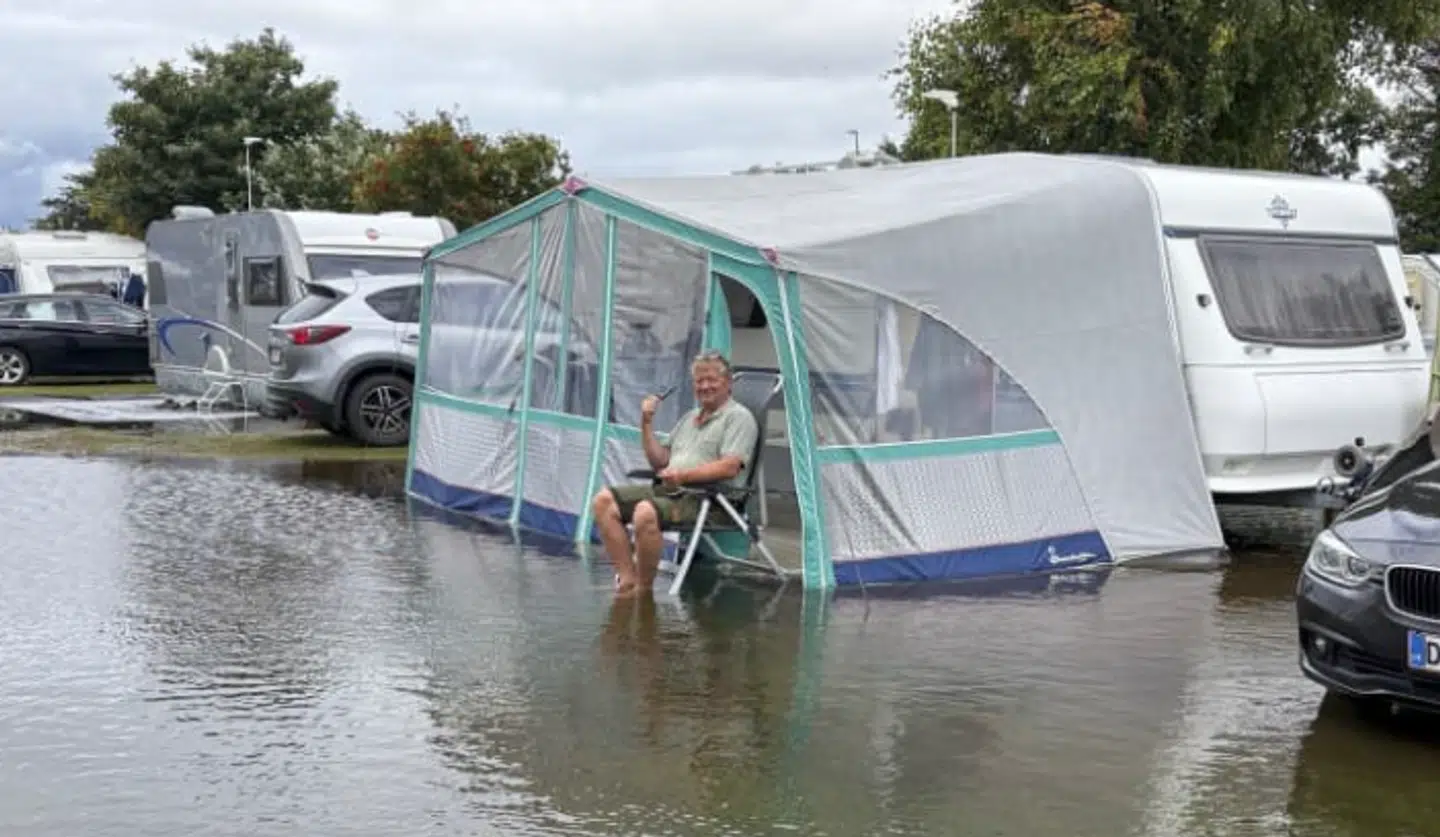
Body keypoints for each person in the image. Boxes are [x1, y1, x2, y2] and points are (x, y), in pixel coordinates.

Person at [590, 351, 759, 598]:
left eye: (711, 379)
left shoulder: (739, 418)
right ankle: (627, 580)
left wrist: (683, 477)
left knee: (645, 511)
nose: (705, 386)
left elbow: (729, 467)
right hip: (673, 490)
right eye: (699, 381)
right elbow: (660, 460)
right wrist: (646, 422)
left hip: (710, 500)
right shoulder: (689, 418)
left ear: (728, 383)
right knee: (603, 501)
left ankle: (644, 591)